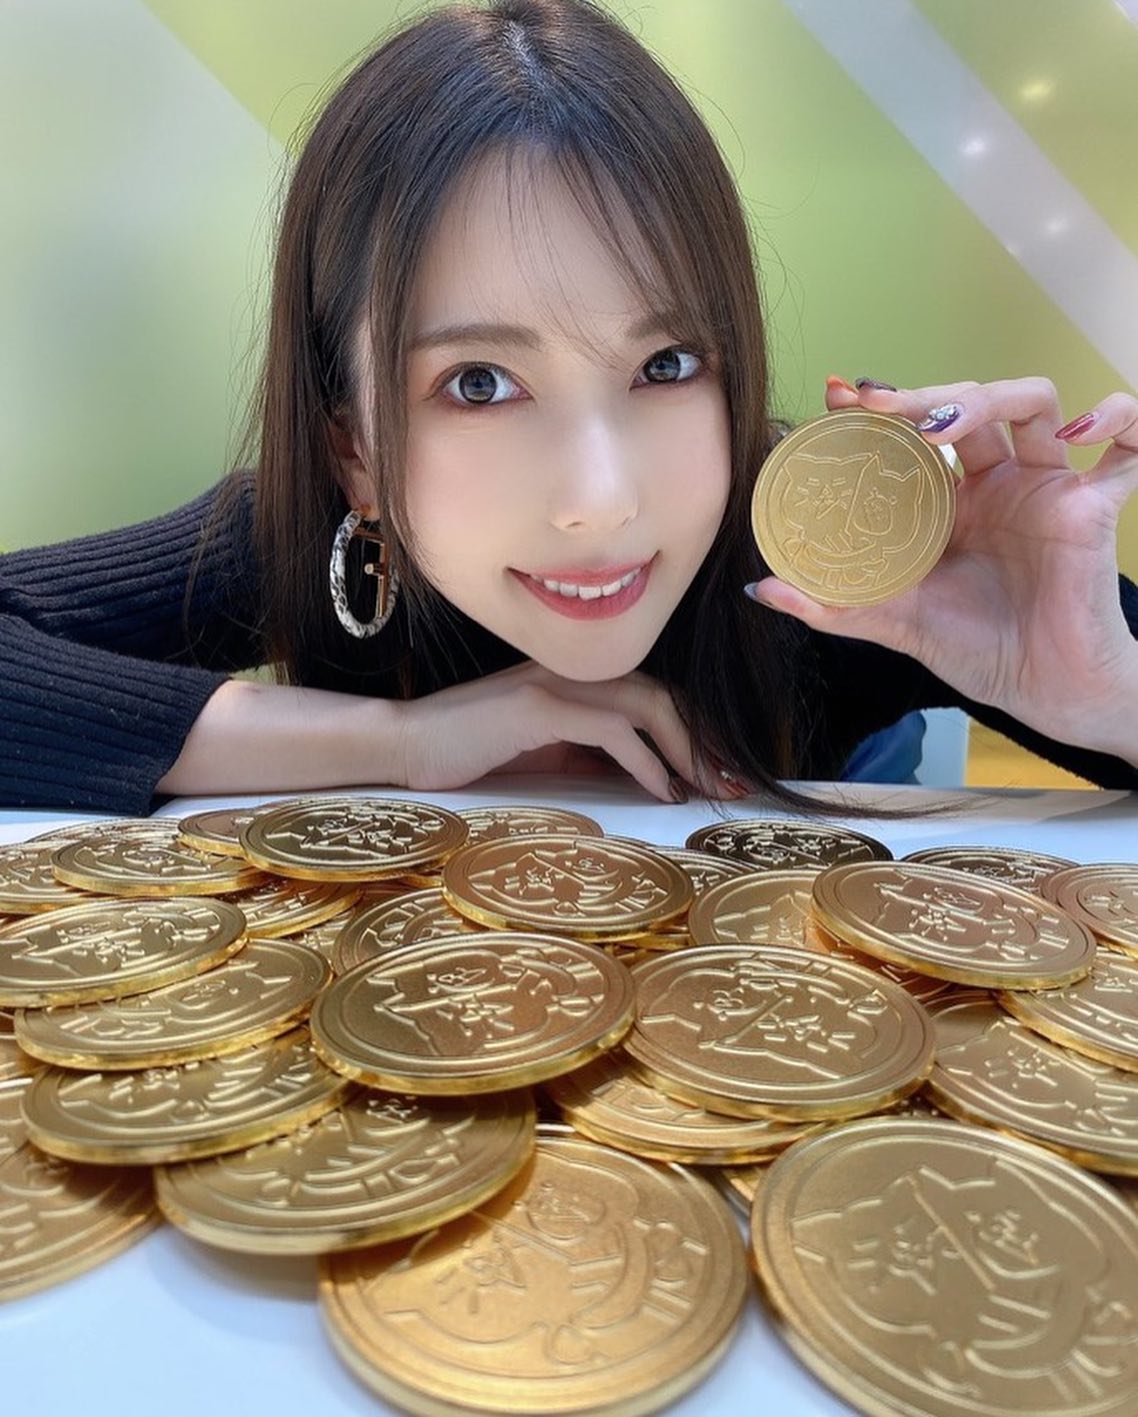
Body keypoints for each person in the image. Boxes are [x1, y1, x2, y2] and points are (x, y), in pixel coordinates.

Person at [2, 0, 1137, 817]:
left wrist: (1097, 689)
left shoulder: (833, 552)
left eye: (665, 365)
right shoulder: (315, 536)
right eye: (479, 384)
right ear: (353, 446)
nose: (602, 502)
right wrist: (403, 741)